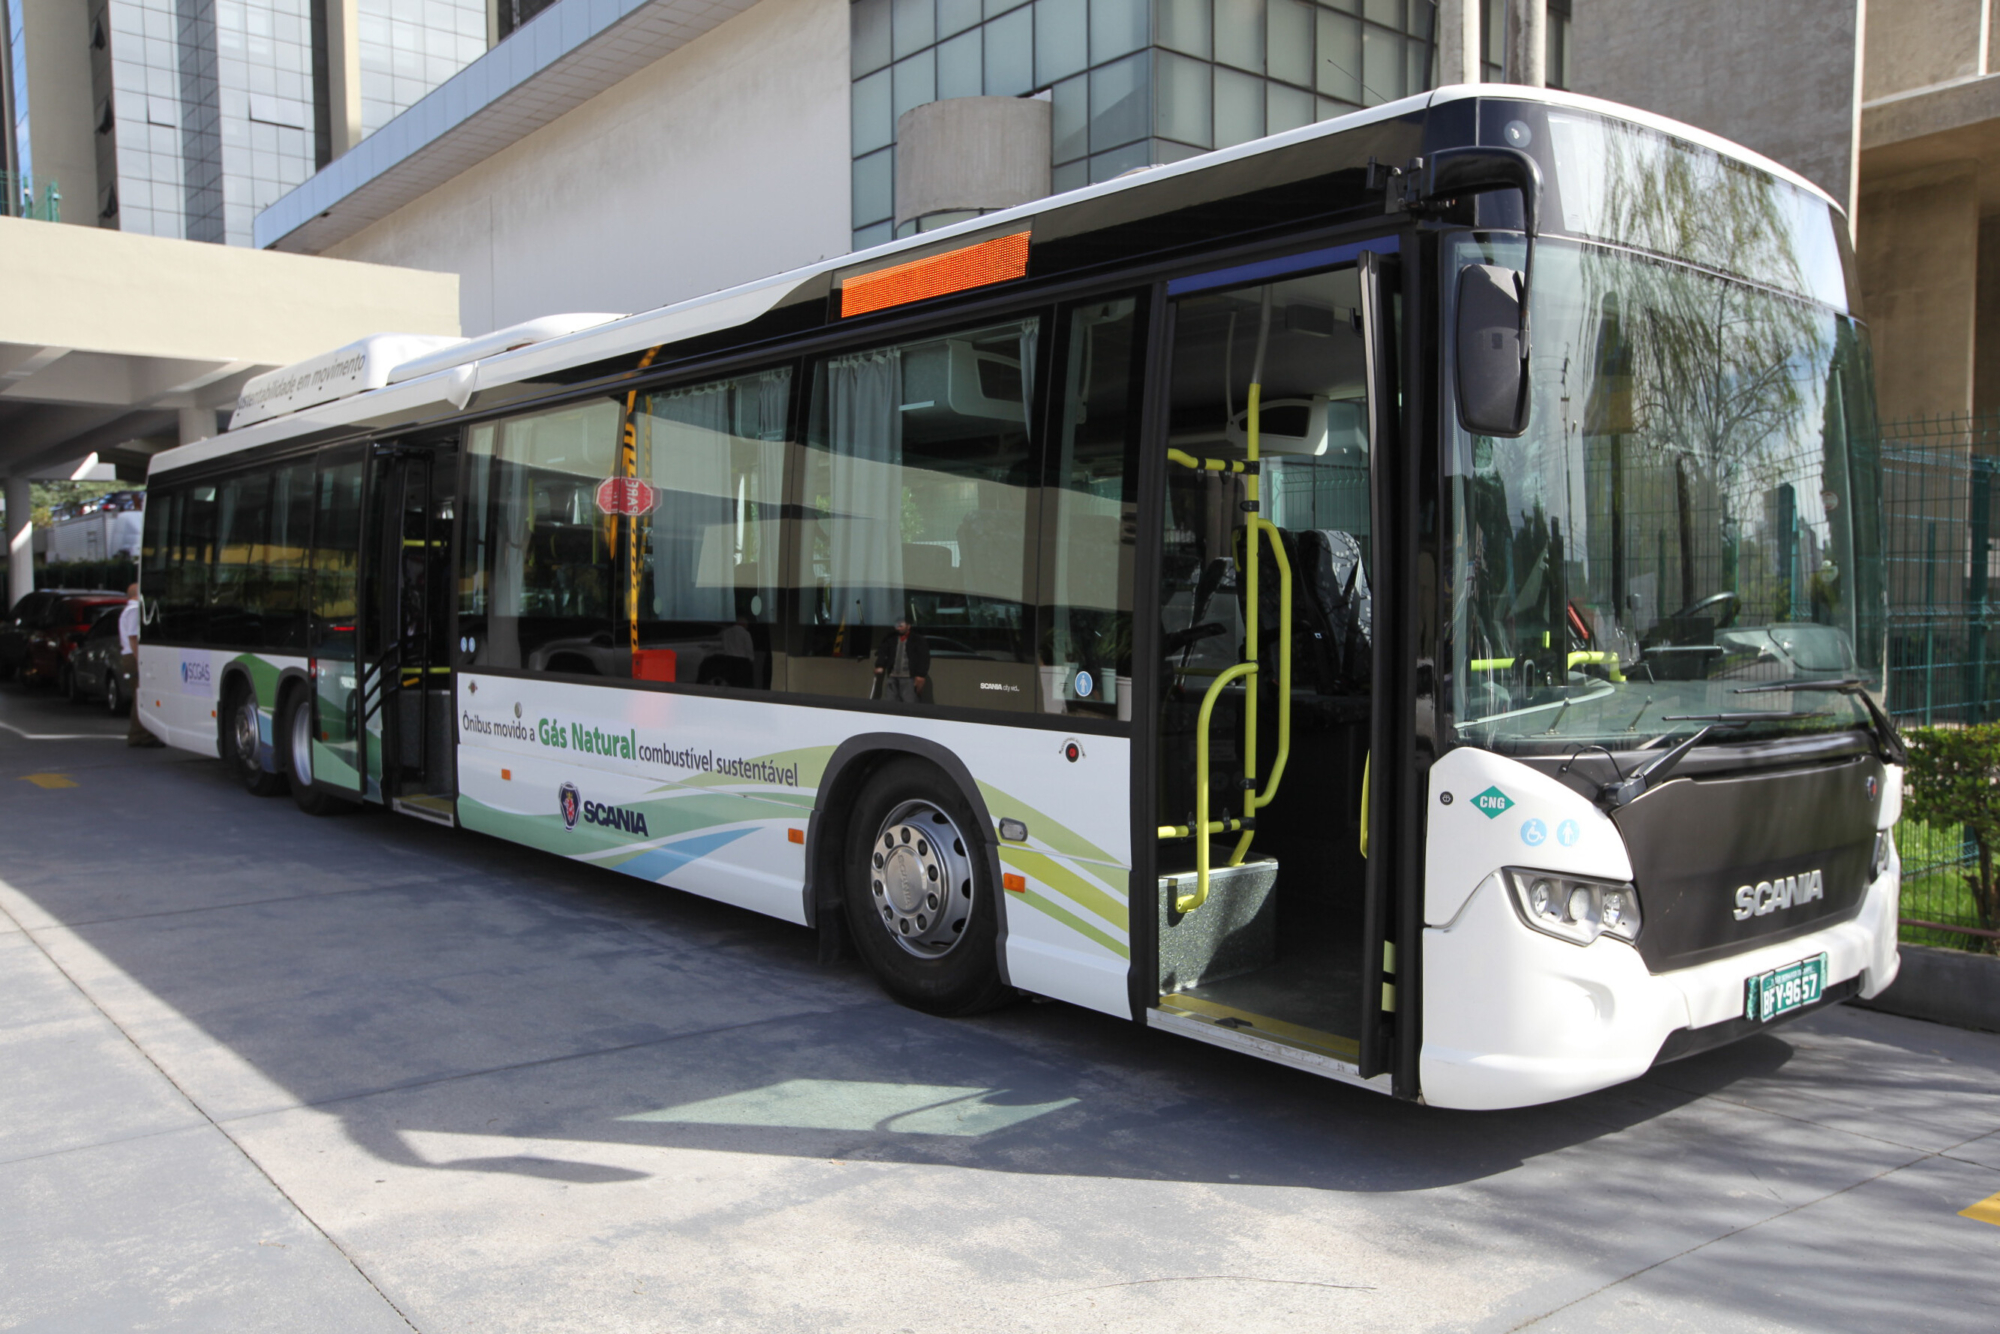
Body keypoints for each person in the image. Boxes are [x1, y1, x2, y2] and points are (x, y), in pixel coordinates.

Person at [119, 584, 161, 748]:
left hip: (130, 656)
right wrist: (141, 660)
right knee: (141, 697)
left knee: (140, 696)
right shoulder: (135, 610)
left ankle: (141, 733)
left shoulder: (128, 610)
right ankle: (140, 735)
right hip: (134, 656)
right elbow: (133, 637)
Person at [873, 616, 929, 704]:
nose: (898, 628)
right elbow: (882, 652)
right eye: (897, 625)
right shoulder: (891, 638)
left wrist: (920, 675)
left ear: (908, 626)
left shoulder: (917, 640)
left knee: (909, 702)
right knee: (890, 701)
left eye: (901, 625)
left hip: (909, 677)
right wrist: (880, 665)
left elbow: (923, 658)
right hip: (892, 675)